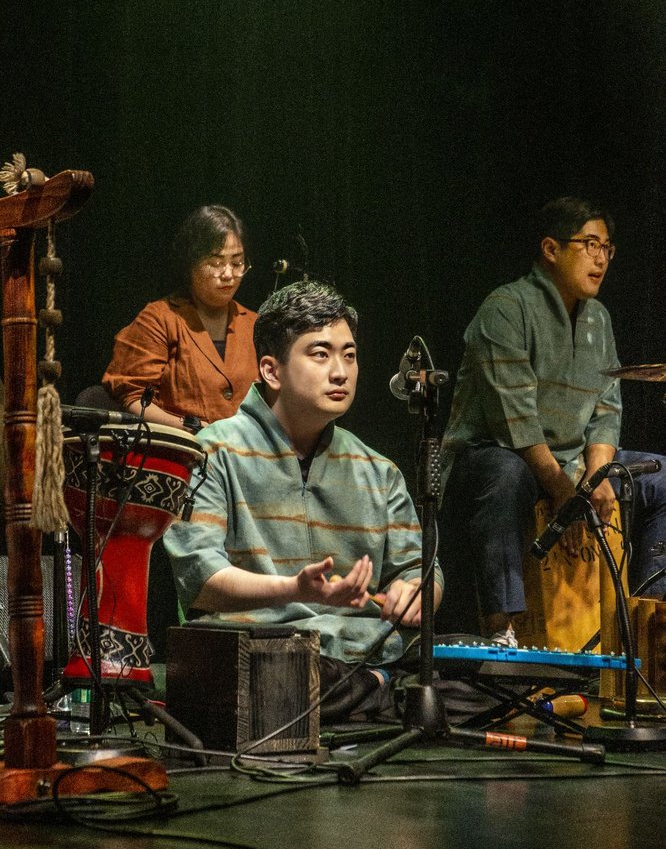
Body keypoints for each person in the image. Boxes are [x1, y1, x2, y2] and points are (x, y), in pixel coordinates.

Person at [164, 279, 443, 720]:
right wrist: (294, 589)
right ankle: (380, 694)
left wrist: (415, 593)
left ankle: (377, 688)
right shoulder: (212, 452)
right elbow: (201, 579)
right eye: (320, 354)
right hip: (265, 652)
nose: (340, 372)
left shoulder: (378, 470)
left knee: (477, 676)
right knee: (279, 684)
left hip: (362, 655)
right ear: (272, 371)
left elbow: (418, 569)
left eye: (349, 355)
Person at [437, 196, 666, 645]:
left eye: (607, 247)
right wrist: (565, 492)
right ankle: (500, 629)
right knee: (507, 472)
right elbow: (514, 422)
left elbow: (606, 408)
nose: (601, 257)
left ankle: (650, 620)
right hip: (496, 456)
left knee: (662, 477)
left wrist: (597, 474)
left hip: (572, 464)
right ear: (550, 248)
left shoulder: (599, 318)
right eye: (590, 244)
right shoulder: (506, 308)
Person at [103, 205, 258, 429]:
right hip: (182, 451)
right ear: (191, 263)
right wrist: (190, 428)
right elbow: (133, 396)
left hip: (246, 456)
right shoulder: (159, 319)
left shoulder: (255, 324)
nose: (228, 274)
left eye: (237, 263)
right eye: (215, 263)